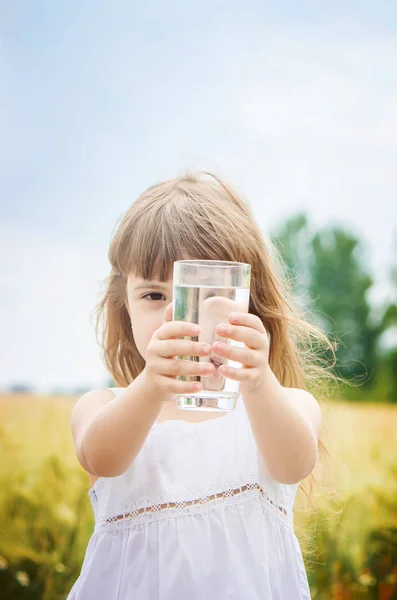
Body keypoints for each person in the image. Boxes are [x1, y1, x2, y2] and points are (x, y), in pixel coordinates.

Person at [67, 171, 335, 599]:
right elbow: (102, 457)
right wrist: (153, 385)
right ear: (125, 307)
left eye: (207, 295)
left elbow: (293, 465)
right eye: (154, 296)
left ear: (249, 302)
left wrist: (259, 379)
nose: (179, 315)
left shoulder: (285, 403)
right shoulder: (103, 405)